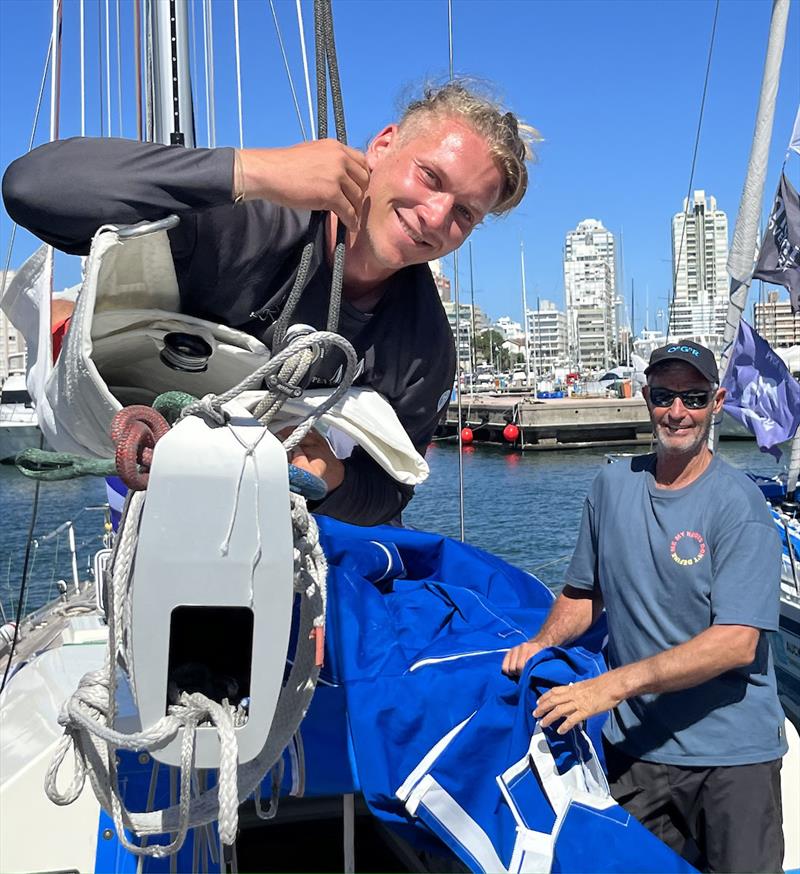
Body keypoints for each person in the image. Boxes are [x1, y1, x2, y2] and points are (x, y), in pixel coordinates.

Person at [2, 81, 538, 526]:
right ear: (383, 145)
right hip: (138, 445)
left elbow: (391, 494)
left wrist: (336, 478)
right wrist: (249, 172)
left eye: (465, 213)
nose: (436, 216)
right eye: (430, 177)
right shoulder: (241, 221)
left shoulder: (425, 348)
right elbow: (33, 187)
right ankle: (61, 320)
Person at [502, 340, 787, 873]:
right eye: (664, 396)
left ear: (717, 401)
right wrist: (540, 645)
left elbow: (736, 642)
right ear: (644, 398)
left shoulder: (739, 505)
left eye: (694, 398)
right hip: (636, 750)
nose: (678, 412)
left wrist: (609, 687)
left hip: (731, 759)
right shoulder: (611, 486)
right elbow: (585, 595)